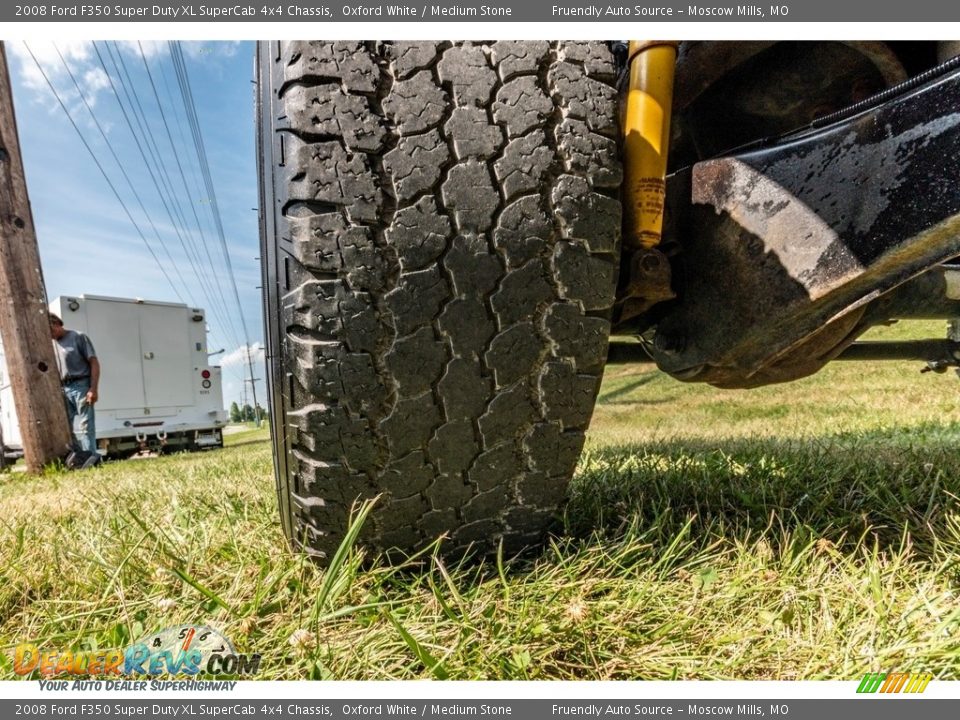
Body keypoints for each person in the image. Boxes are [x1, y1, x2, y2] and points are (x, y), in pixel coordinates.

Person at [49, 313, 100, 454]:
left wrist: (93, 388)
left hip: (81, 385)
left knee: (86, 424)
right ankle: (78, 456)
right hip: (63, 388)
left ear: (57, 324)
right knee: (65, 426)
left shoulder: (78, 337)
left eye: (50, 330)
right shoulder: (51, 344)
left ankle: (91, 456)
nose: (50, 334)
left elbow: (94, 363)